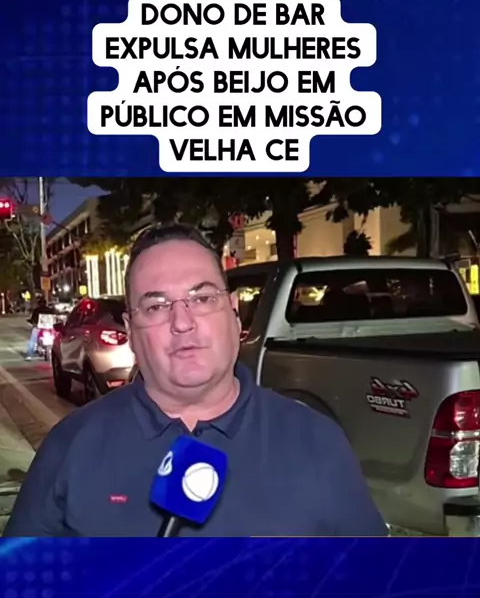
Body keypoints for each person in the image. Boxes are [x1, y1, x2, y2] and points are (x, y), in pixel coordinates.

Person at [4, 223, 387, 538]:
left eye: (202, 299)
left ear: (234, 315)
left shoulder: (317, 442)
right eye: (156, 306)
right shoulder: (71, 447)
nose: (182, 322)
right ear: (131, 332)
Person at [25, 296, 50, 360]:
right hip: (49, 328)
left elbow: (33, 319)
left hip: (38, 327)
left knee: (32, 340)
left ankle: (29, 355)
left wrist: (31, 322)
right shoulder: (50, 310)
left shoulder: (36, 310)